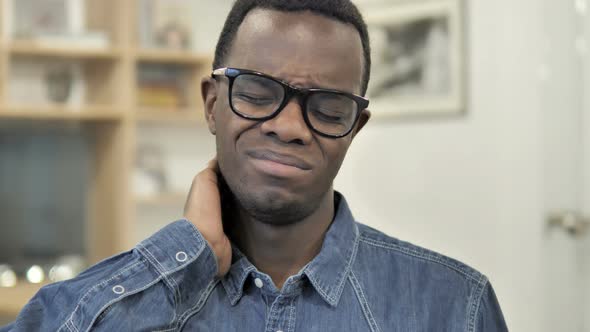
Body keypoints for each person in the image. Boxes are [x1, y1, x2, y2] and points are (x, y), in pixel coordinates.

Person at [1, 0, 508, 331]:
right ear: (210, 105)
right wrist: (185, 257)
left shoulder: (453, 306)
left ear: (354, 127)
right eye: (258, 93)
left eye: (328, 107)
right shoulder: (142, 301)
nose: (288, 126)